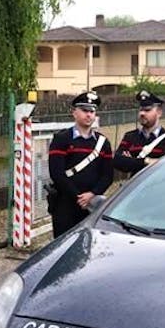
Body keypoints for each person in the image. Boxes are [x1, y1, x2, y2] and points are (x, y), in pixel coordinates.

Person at [47, 91, 114, 237]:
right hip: (64, 204)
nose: (88, 115)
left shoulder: (103, 143)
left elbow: (108, 175)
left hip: (92, 205)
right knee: (62, 247)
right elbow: (56, 173)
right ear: (74, 113)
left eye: (92, 111)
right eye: (84, 110)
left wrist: (92, 194)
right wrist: (78, 197)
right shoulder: (61, 139)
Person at [114, 90, 165, 176]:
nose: (142, 113)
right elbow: (118, 161)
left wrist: (132, 162)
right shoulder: (130, 137)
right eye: (140, 110)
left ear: (159, 112)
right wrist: (146, 161)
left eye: (147, 110)